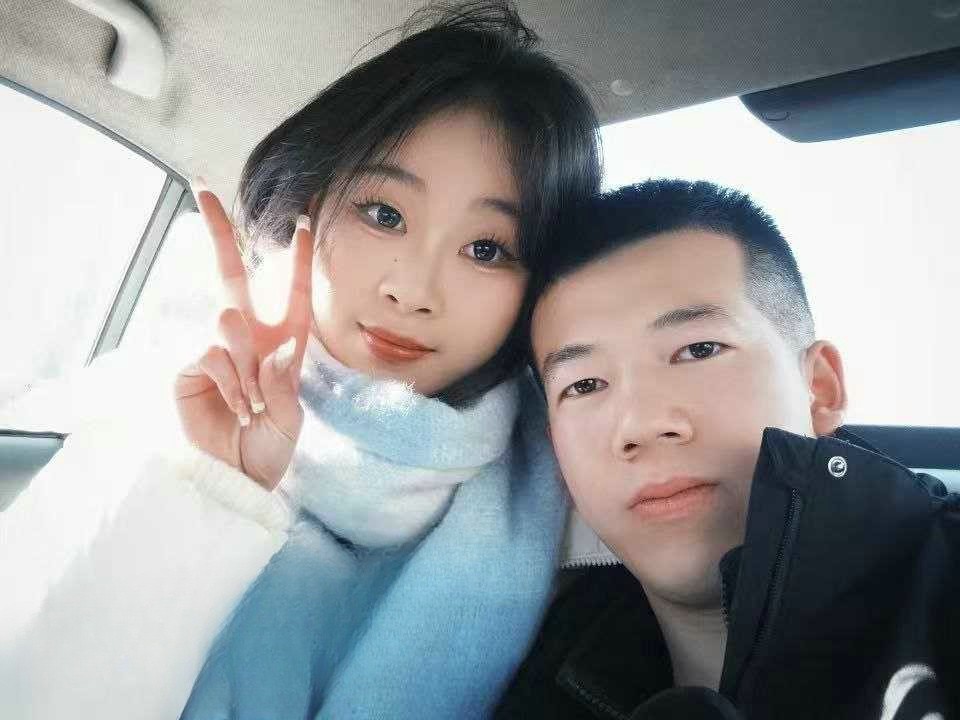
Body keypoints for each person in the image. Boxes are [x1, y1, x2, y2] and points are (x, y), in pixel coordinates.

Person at [0, 3, 600, 719]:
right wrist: (211, 488)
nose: (412, 290)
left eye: (486, 248)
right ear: (309, 205)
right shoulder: (140, 402)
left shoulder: (567, 528)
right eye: (384, 214)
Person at [495, 179, 960, 719]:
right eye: (583, 385)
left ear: (820, 388)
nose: (640, 425)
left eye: (698, 350)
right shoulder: (516, 679)